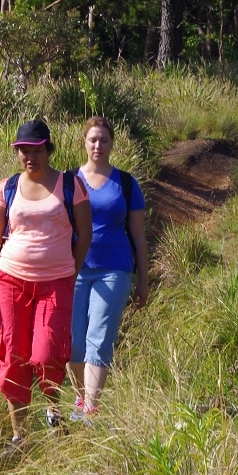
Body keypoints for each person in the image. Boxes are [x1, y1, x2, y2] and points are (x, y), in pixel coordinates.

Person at [0, 118, 91, 445]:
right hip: (10, 280)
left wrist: (71, 270)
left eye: (37, 150)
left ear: (48, 150)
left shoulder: (70, 185)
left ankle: (53, 409)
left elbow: (85, 234)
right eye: (24, 150)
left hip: (56, 282)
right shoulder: (7, 187)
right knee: (12, 355)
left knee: (46, 353)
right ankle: (19, 436)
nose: (30, 157)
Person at [68, 116, 148, 418]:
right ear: (84, 142)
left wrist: (144, 281)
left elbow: (138, 236)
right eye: (93, 140)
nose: (98, 145)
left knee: (99, 338)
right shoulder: (69, 181)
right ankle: (80, 400)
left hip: (114, 269)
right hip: (74, 269)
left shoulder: (126, 183)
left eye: (104, 140)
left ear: (112, 143)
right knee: (72, 342)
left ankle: (91, 409)